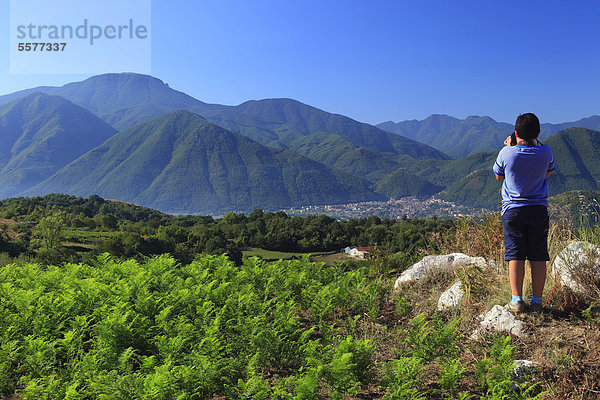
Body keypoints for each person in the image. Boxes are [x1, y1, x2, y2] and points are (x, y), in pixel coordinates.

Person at [493, 113, 555, 313]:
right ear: (538, 133)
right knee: (538, 256)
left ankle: (517, 300)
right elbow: (547, 173)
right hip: (538, 208)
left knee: (515, 254)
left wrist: (510, 147)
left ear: (516, 132)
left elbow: (498, 176)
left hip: (513, 210)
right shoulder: (546, 152)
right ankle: (537, 301)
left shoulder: (506, 152)